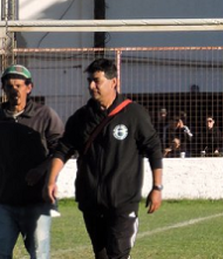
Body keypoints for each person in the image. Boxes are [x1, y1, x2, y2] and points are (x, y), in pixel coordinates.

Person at [45, 58, 163, 259]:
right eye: (90, 80)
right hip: (91, 200)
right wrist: (51, 180)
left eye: (97, 80)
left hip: (122, 201)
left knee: (117, 254)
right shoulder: (81, 118)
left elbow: (153, 148)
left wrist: (157, 187)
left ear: (114, 82)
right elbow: (63, 149)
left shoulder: (133, 114)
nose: (91, 86)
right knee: (101, 255)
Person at [1, 64, 63, 259]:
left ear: (29, 87)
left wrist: (42, 169)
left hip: (37, 201)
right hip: (4, 201)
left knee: (39, 254)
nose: (14, 91)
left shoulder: (45, 115)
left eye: (18, 85)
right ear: (3, 88)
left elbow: (62, 150)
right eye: (9, 86)